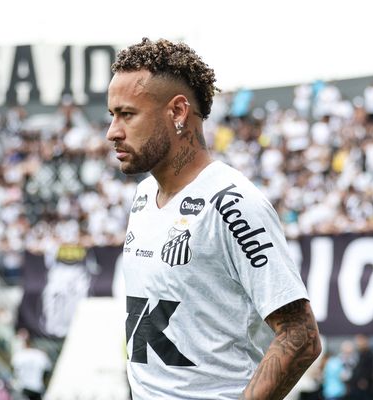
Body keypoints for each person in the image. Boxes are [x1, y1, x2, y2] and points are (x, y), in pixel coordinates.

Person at [106, 38, 321, 399]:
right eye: (112, 115)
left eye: (127, 114)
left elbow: (300, 335)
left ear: (178, 112)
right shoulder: (143, 195)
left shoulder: (233, 204)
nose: (113, 131)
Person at [11, 330, 51, 400]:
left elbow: (14, 371)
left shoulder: (18, 355)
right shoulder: (41, 355)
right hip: (37, 388)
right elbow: (47, 372)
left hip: (23, 388)